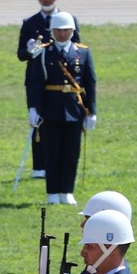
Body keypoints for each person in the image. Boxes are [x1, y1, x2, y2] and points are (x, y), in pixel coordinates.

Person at [27, 11, 96, 206]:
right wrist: (33, 108)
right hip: (51, 110)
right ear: (52, 31)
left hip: (74, 110)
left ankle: (67, 191)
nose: (63, 34)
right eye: (59, 30)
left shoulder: (82, 52)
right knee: (52, 152)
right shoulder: (43, 52)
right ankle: (52, 192)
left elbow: (90, 84)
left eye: (66, 30)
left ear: (72, 31)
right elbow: (36, 83)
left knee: (71, 153)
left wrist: (92, 112)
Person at [18, 0, 80, 180]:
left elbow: (77, 49)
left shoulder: (69, 19)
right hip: (37, 78)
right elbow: (20, 54)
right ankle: (39, 166)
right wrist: (29, 52)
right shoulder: (30, 23)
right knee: (38, 121)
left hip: (62, 80)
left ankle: (57, 164)